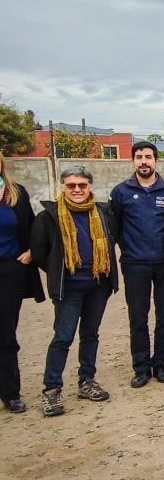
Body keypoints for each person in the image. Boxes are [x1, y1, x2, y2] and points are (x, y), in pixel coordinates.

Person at [31, 166, 118, 416]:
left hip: (98, 286)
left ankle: (86, 381)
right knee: (63, 337)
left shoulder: (103, 212)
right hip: (69, 288)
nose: (77, 190)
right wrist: (64, 270)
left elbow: (114, 240)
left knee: (91, 335)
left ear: (90, 186)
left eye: (82, 185)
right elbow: (39, 252)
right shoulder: (49, 217)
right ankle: (51, 390)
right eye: (71, 185)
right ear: (63, 187)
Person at [110, 141, 164, 388]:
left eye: (148, 157)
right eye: (139, 157)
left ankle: (161, 363)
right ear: (133, 161)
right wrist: (130, 249)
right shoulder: (121, 192)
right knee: (138, 317)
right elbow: (115, 228)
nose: (144, 161)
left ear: (156, 161)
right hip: (135, 264)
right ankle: (141, 368)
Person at [0, 154, 45, 414]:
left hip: (9, 270)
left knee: (6, 335)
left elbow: (31, 227)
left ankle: (9, 392)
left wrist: (30, 252)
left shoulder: (15, 193)